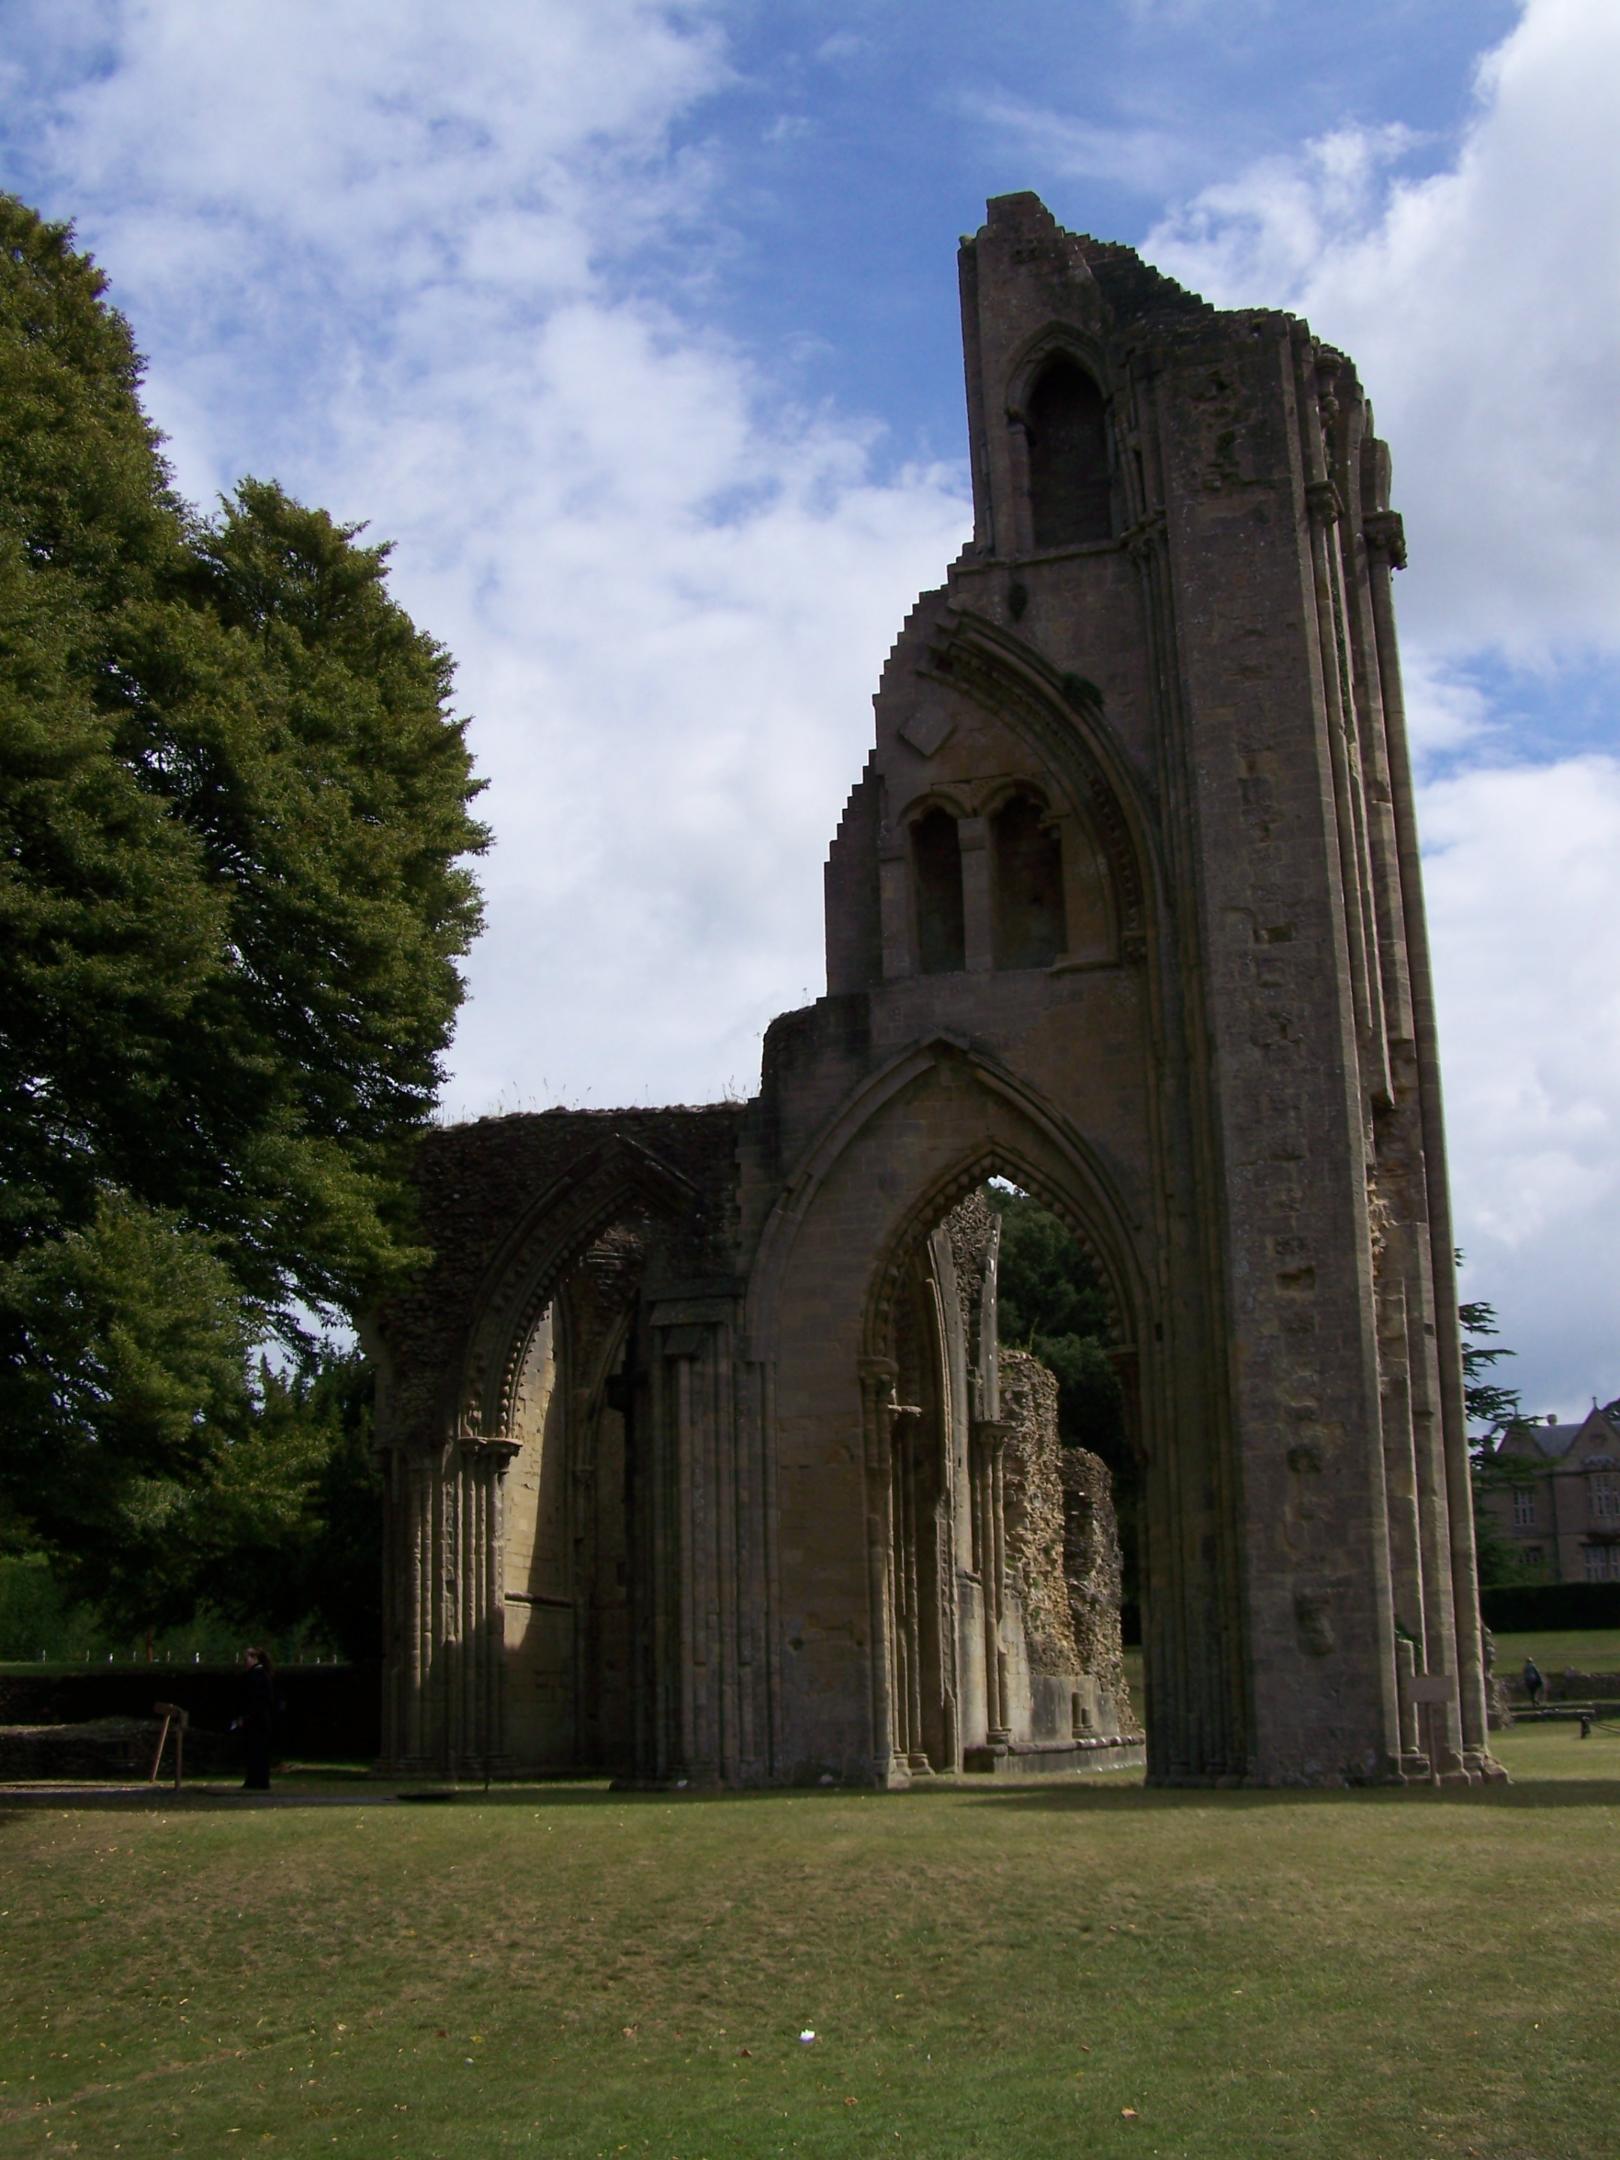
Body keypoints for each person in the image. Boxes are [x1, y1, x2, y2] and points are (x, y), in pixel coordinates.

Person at [237, 1645, 276, 1791]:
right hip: (260, 1718)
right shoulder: (262, 1674)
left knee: (255, 1750)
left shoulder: (255, 1676)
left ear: (254, 1659)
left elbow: (253, 1700)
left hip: (256, 1719)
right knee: (258, 1751)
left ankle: (256, 1781)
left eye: (246, 1658)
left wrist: (245, 1716)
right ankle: (258, 1780)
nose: (244, 1661)